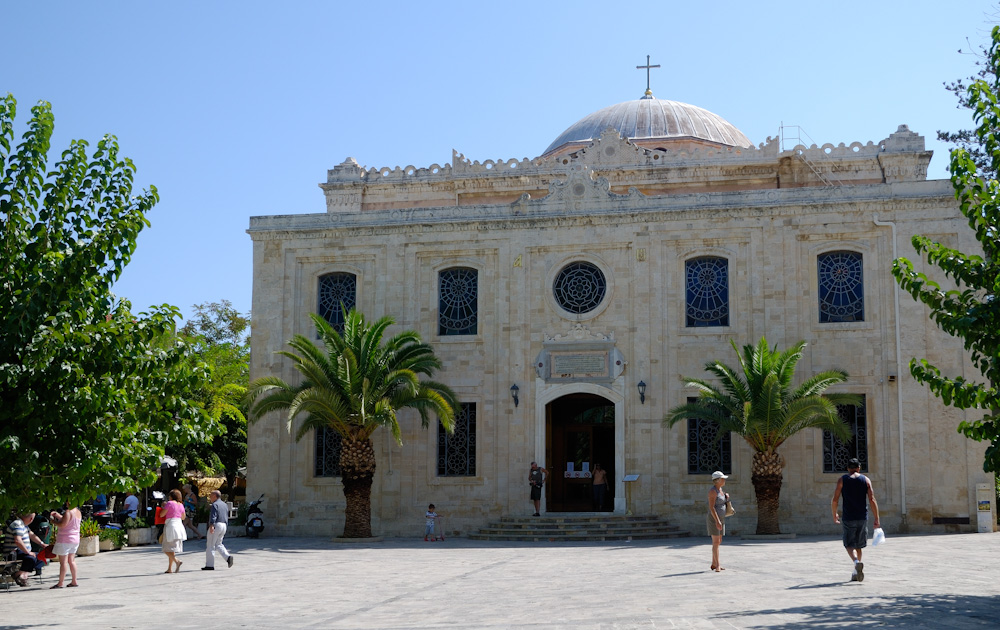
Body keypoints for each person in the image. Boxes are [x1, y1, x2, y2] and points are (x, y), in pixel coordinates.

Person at [831, 457, 880, 582]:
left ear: (848, 468)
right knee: (859, 545)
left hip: (848, 517)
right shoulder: (866, 480)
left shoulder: (843, 480)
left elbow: (835, 499)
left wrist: (834, 514)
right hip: (862, 517)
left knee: (848, 544)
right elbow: (872, 499)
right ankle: (856, 570)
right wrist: (876, 518)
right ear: (859, 468)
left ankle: (856, 562)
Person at [3, 511, 45, 587]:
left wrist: (42, 544)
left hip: (22, 552)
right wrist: (28, 552)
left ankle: (19, 575)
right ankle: (22, 577)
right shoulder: (17, 524)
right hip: (13, 552)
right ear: (31, 519)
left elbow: (32, 535)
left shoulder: (24, 525)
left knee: (42, 557)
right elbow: (17, 540)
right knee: (31, 558)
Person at [48, 502, 81, 588]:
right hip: (75, 539)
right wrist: (58, 516)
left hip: (65, 539)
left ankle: (60, 583)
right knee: (72, 561)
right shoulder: (78, 512)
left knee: (63, 563)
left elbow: (63, 524)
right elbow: (68, 520)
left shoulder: (68, 512)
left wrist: (53, 521)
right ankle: (74, 581)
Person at [202, 490, 233, 570]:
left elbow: (213, 515)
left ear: (215, 496)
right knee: (219, 544)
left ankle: (210, 565)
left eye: (211, 496)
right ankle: (228, 557)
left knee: (210, 545)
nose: (210, 498)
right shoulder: (224, 505)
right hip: (224, 525)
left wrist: (211, 525)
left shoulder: (215, 505)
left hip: (216, 524)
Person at [160, 489, 188, 573]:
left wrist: (162, 508)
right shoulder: (181, 505)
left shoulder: (169, 503)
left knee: (166, 548)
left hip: (170, 525)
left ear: (171, 496)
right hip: (179, 525)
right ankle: (169, 568)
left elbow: (162, 514)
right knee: (172, 548)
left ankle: (177, 561)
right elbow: (183, 517)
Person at [707, 471, 729, 572]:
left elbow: (722, 503)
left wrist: (726, 497)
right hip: (714, 519)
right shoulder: (712, 491)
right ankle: (718, 565)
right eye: (723, 478)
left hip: (721, 519)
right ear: (718, 480)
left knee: (719, 541)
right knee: (715, 542)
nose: (724, 480)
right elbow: (712, 507)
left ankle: (714, 563)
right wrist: (717, 521)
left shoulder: (720, 490)